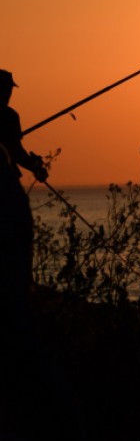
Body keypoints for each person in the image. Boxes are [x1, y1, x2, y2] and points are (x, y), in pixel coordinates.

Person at [0, 69, 48, 326]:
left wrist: (32, 164)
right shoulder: (8, 116)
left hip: (7, 178)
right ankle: (20, 289)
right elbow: (17, 152)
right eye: (6, 89)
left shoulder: (9, 116)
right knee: (20, 229)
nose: (8, 94)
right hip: (5, 183)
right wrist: (35, 166)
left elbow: (16, 151)